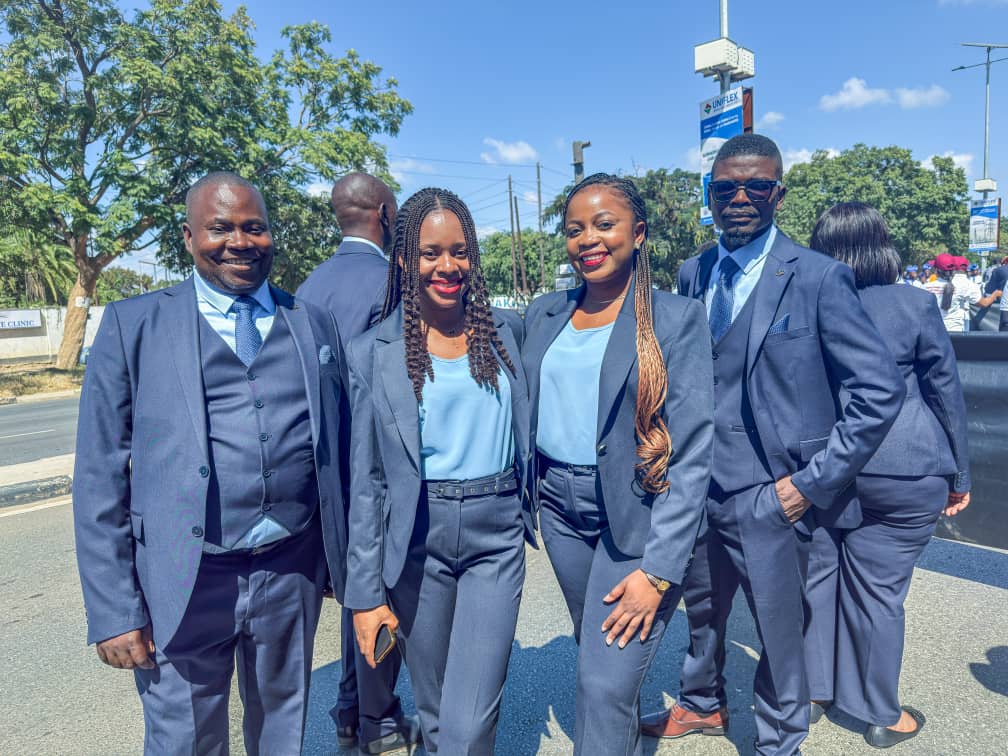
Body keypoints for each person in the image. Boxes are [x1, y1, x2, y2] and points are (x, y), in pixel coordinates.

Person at [641, 134, 904, 756]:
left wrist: (809, 484)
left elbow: (878, 392)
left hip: (771, 493)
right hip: (695, 485)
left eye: (756, 186)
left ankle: (780, 740)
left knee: (780, 633)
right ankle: (702, 704)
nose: (740, 198)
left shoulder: (819, 277)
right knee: (702, 611)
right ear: (709, 195)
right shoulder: (694, 271)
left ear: (778, 193)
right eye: (725, 187)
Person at [73, 172, 349, 754]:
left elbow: (338, 448)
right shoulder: (132, 325)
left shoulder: (310, 320)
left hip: (290, 567)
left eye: (255, 228)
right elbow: (98, 478)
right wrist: (115, 610)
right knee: (185, 739)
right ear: (189, 236)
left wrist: (341, 561)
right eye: (220, 228)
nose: (239, 242)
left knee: (282, 730)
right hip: (184, 575)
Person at [522, 173, 714, 756]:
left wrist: (659, 571)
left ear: (639, 233)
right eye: (575, 229)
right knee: (597, 658)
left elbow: (692, 452)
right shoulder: (543, 313)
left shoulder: (677, 319)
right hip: (561, 509)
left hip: (637, 518)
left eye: (604, 224)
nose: (588, 239)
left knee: (604, 681)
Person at [344, 187, 532, 755]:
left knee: (468, 720)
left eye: (459, 251)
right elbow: (367, 482)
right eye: (430, 253)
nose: (447, 266)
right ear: (405, 259)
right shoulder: (372, 352)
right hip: (416, 541)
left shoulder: (507, 332)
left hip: (495, 534)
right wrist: (364, 595)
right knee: (435, 713)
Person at [803, 202, 972, 749]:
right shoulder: (916, 304)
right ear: (882, 245)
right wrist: (960, 475)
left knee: (818, 578)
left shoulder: (806, 303)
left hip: (825, 465)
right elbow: (945, 393)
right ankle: (879, 714)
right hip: (907, 466)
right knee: (879, 591)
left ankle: (811, 695)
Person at [296, 172, 419, 755]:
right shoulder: (390, 282)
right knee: (380, 592)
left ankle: (350, 708)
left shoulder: (306, 286)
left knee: (356, 593)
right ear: (386, 215)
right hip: (375, 469)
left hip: (324, 474)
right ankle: (378, 716)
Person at [921, 253, 1000, 333]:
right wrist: (995, 294)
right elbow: (983, 303)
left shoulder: (925, 287)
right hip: (955, 332)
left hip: (932, 332)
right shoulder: (962, 286)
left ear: (936, 270)